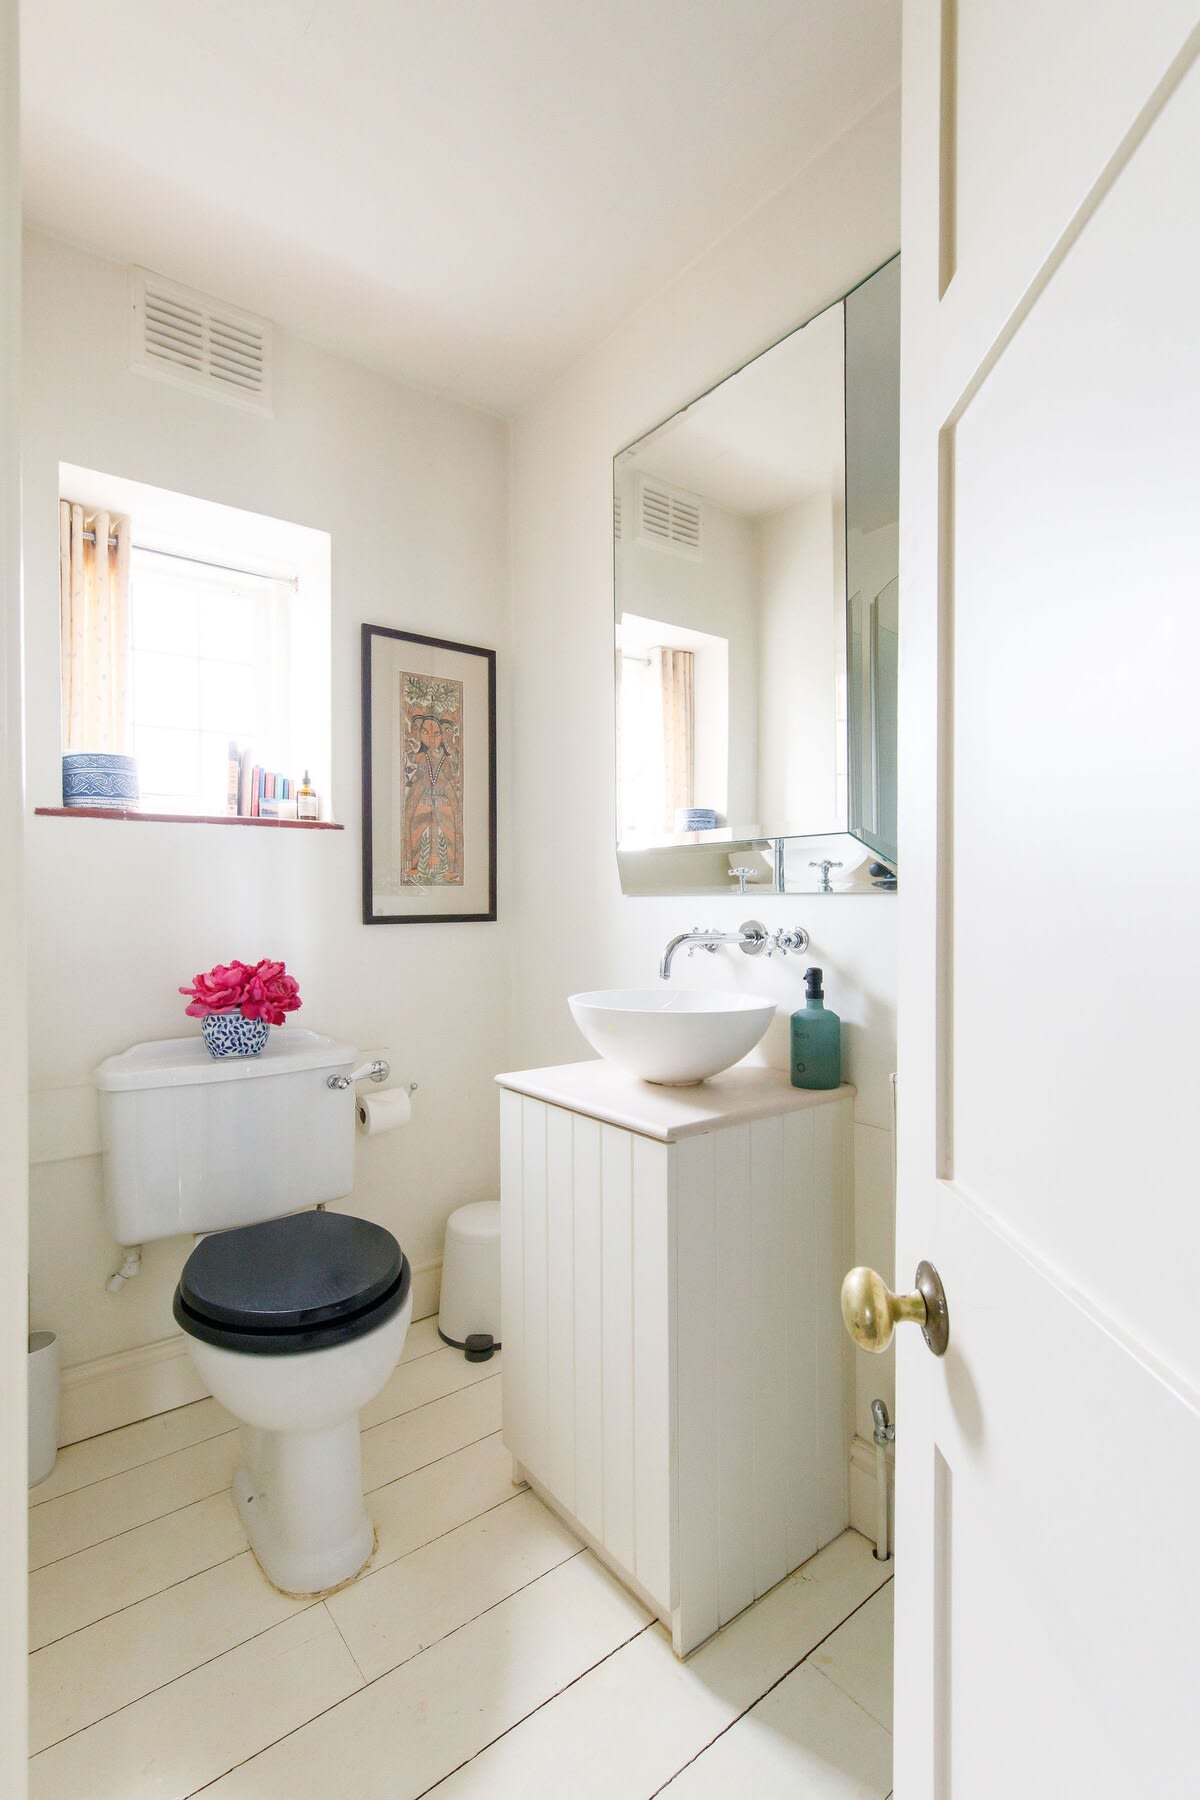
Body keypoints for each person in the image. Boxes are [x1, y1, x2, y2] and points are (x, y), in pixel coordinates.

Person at [403, 711, 462, 882]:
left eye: (436, 733)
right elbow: (413, 767)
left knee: (452, 828)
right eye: (426, 732)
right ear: (420, 734)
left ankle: (452, 869)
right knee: (413, 825)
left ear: (442, 736)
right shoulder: (419, 756)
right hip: (422, 795)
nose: (431, 738)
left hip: (444, 796)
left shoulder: (447, 758)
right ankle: (411, 866)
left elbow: (450, 776)